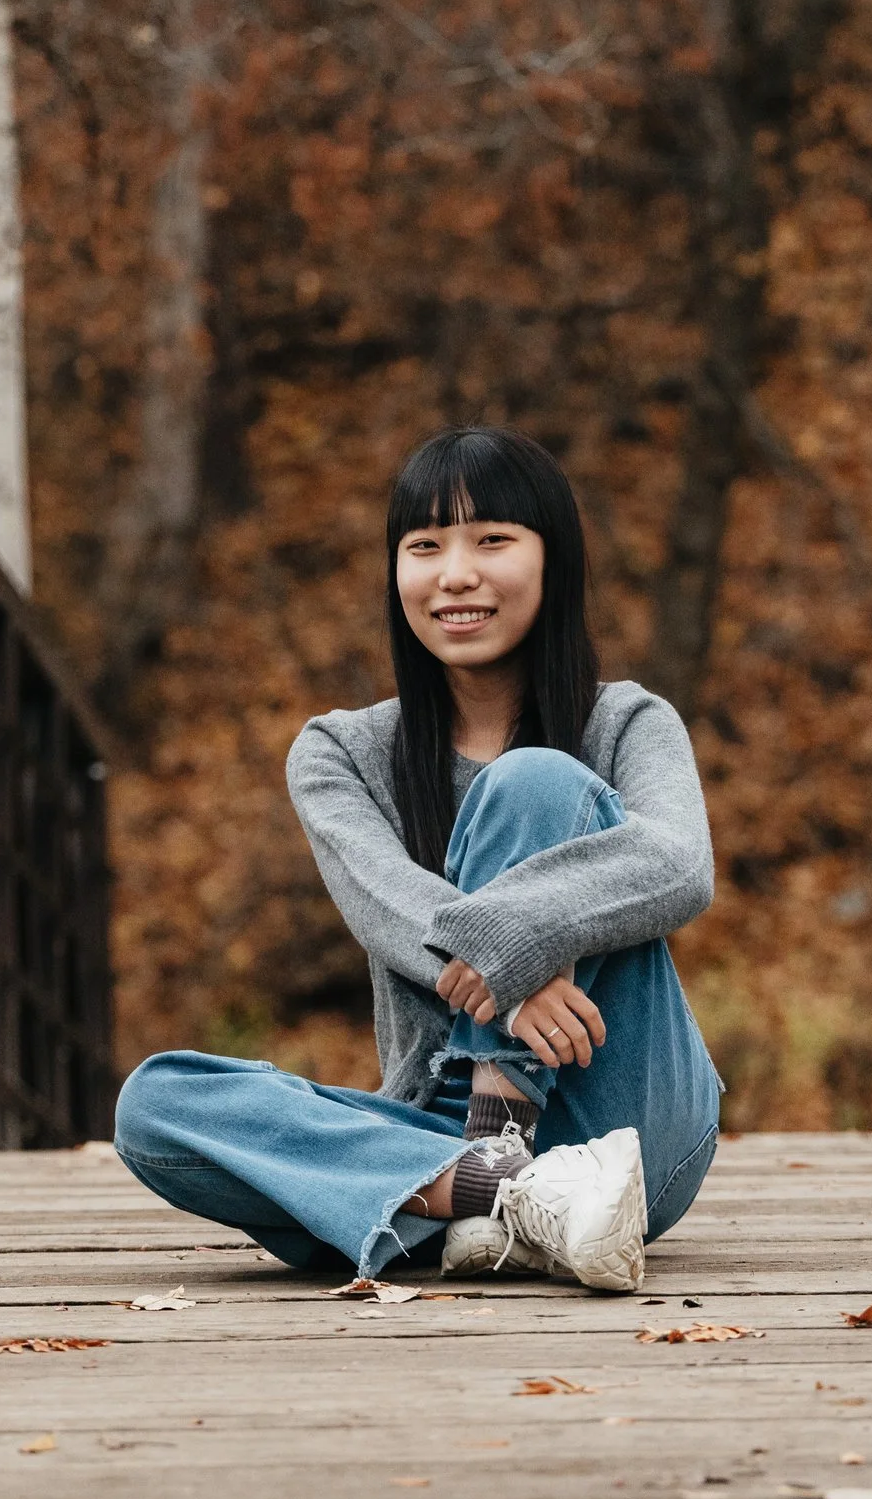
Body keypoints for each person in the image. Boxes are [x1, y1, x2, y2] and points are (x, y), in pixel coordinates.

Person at [112, 425, 724, 1292]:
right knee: (156, 1104)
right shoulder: (340, 753)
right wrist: (512, 964)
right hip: (426, 1132)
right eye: (425, 546)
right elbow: (384, 899)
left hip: (621, 1126)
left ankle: (481, 1168)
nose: (455, 573)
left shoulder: (626, 723)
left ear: (556, 563)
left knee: (536, 783)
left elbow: (678, 862)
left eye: (493, 541)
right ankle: (502, 1196)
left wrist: (513, 949)